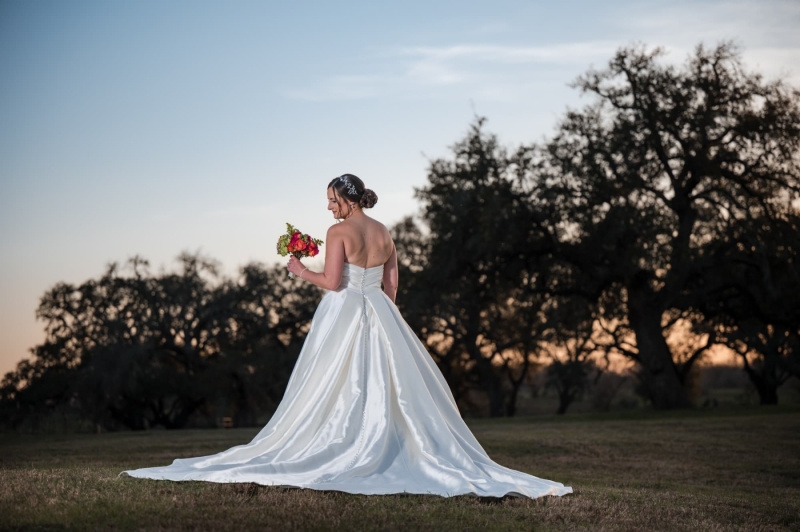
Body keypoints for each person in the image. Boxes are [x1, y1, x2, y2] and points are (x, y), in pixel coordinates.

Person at [119, 174, 573, 499]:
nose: (329, 207)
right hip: (381, 310)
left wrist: (300, 271)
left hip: (346, 312)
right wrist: (384, 310)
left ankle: (345, 446)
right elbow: (392, 282)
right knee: (388, 386)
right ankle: (388, 442)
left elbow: (333, 282)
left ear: (347, 199)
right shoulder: (383, 231)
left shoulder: (340, 232)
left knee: (334, 382)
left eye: (332, 199)